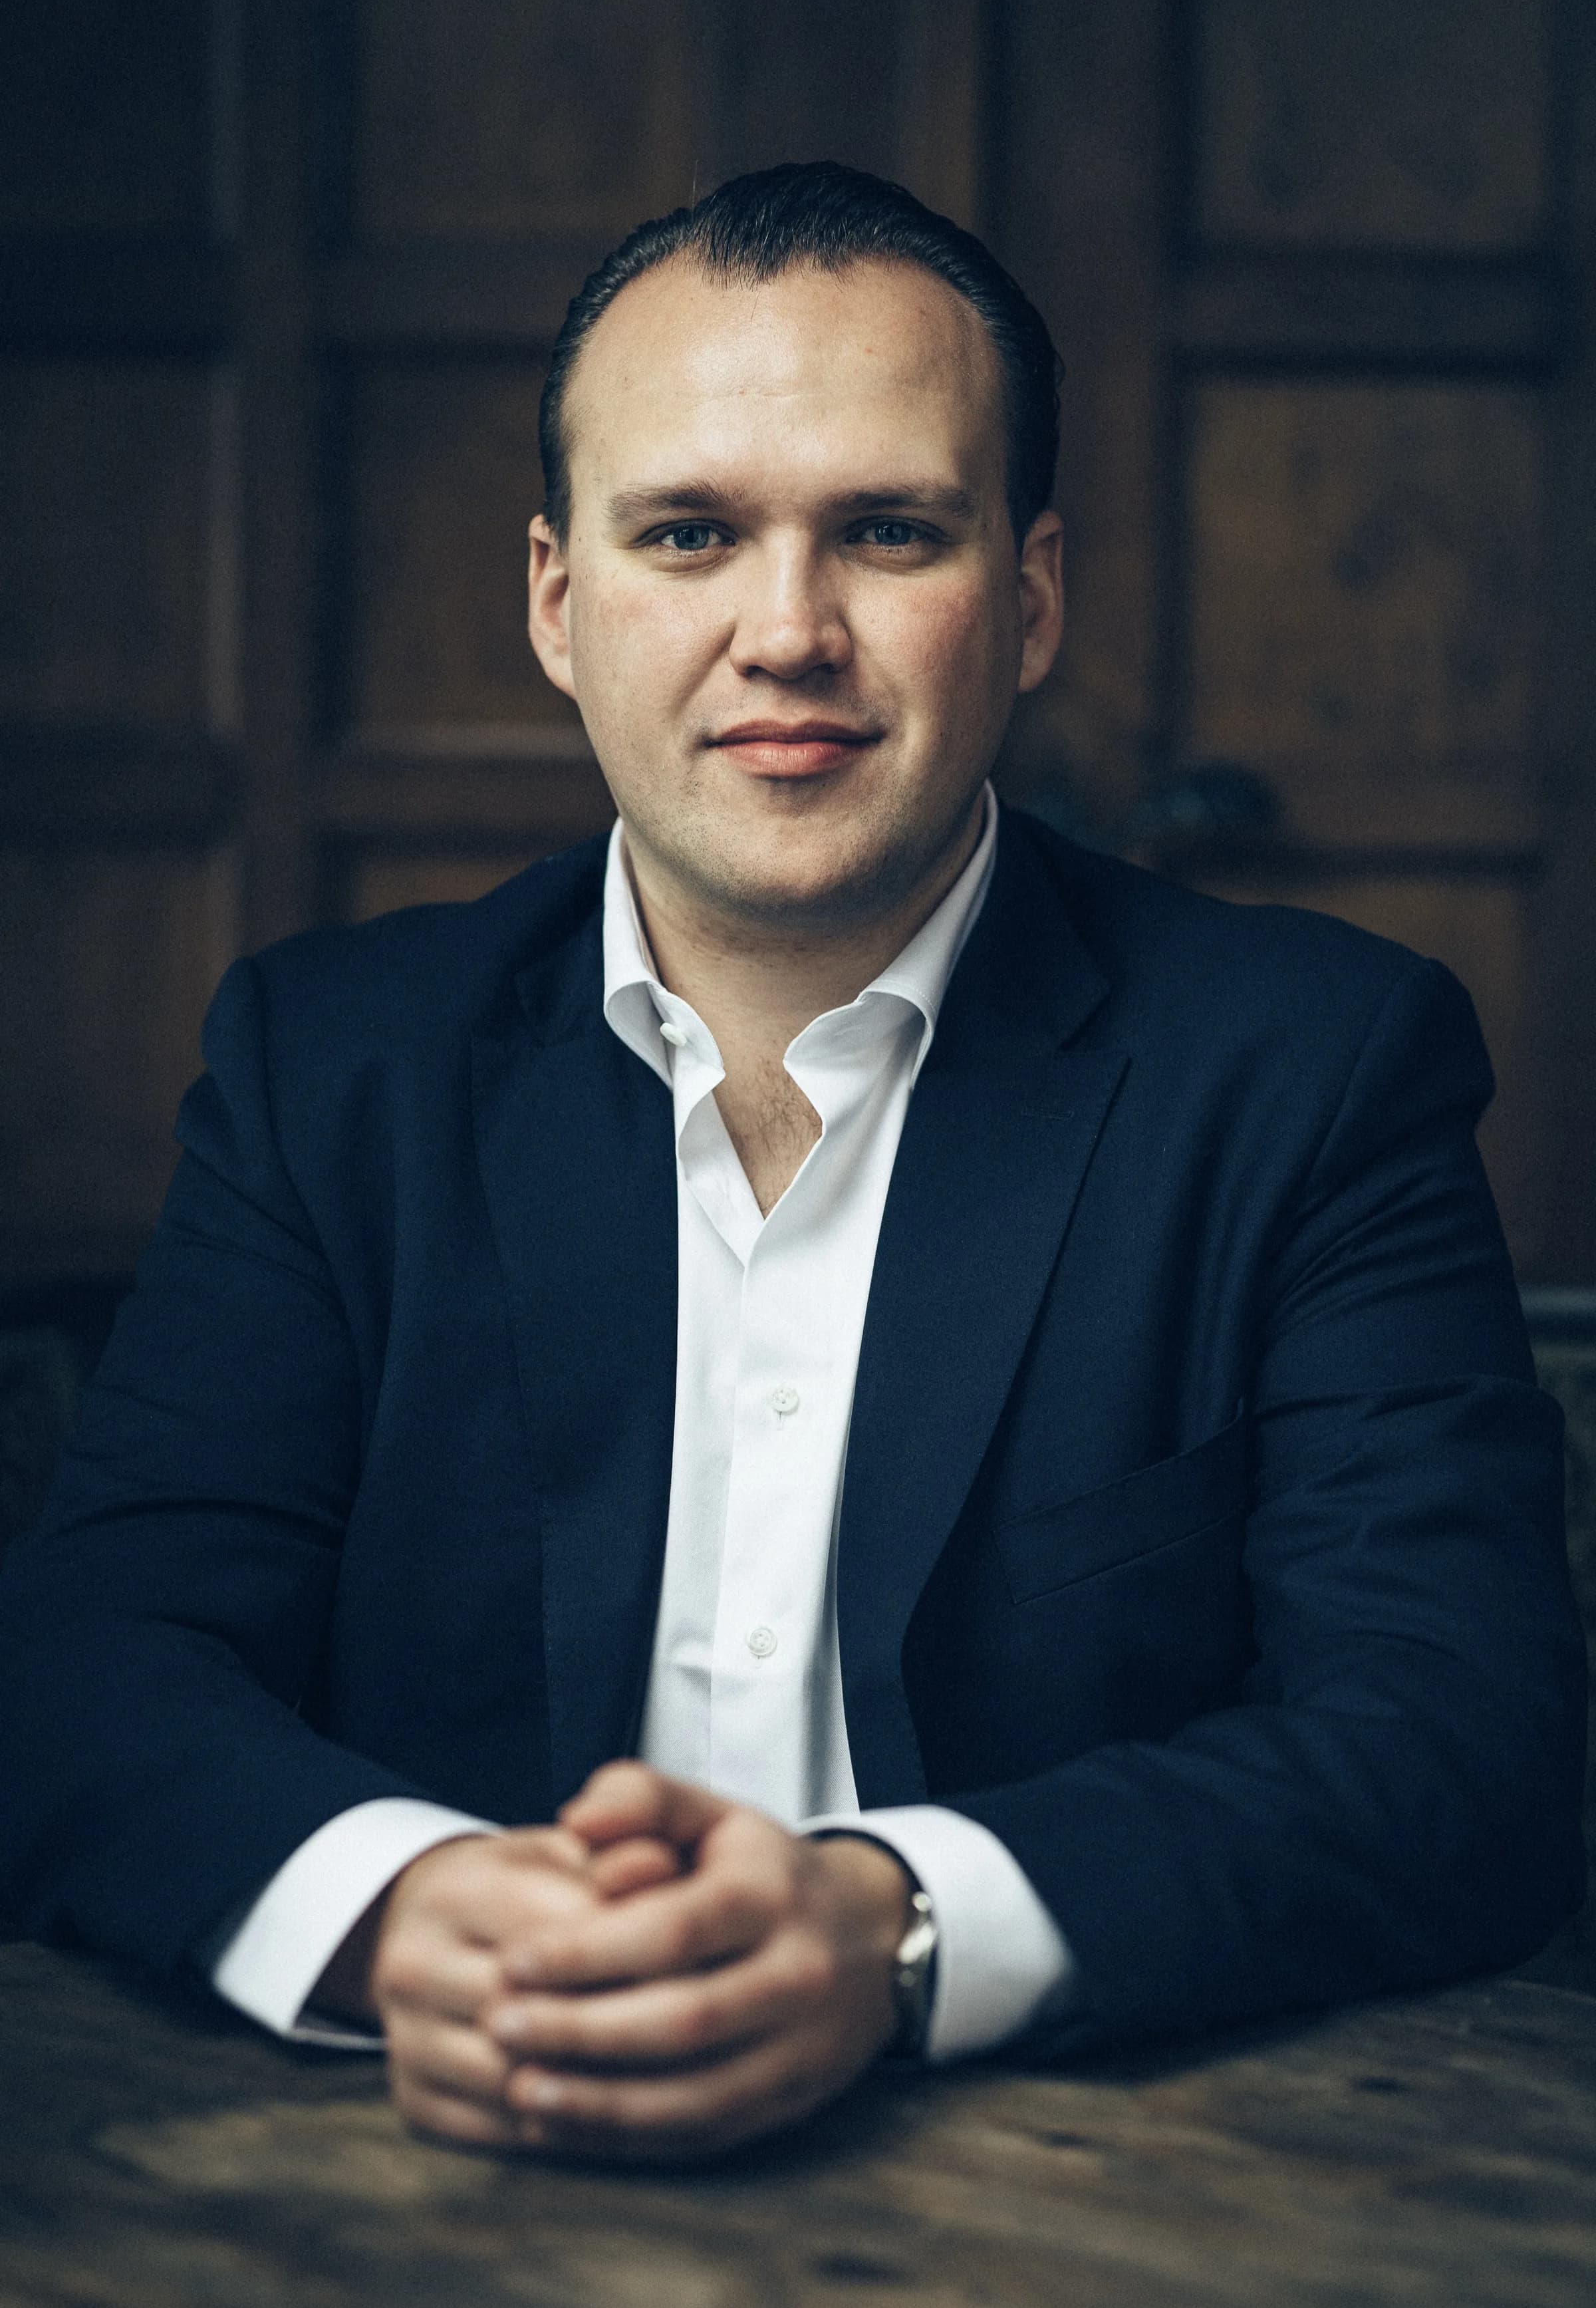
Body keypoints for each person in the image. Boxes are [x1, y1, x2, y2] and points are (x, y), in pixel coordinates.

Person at [0, 164, 1583, 2166]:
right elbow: (88, 1661)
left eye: (890, 532)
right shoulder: (333, 1066)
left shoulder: (1316, 1068)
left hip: (1107, 2213)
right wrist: (396, 1909)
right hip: (407, 2168)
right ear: (560, 605)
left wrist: (894, 1926)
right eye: (689, 533)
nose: (789, 633)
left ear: (1027, 598)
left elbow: (1462, 1750)